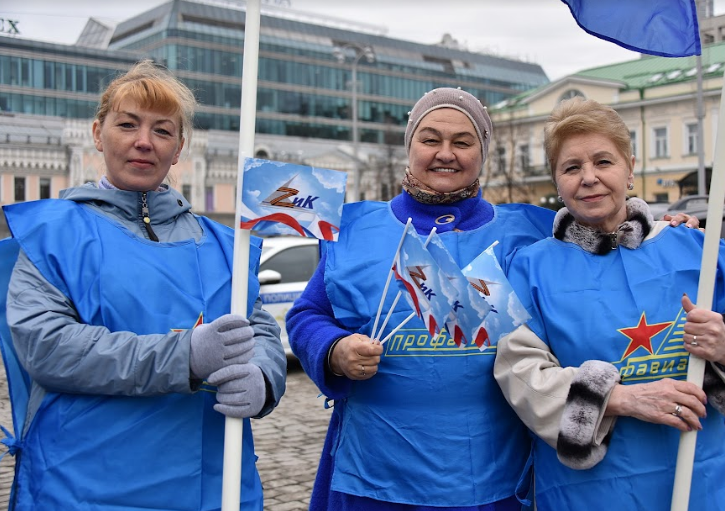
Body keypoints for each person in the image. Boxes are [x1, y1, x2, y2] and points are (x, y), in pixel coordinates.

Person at [286, 88, 697, 511]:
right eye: (430, 139)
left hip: (493, 479)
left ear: (483, 152)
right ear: (409, 146)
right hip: (374, 476)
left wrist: (661, 227)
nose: (446, 153)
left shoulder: (529, 229)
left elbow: (604, 232)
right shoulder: (355, 228)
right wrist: (334, 349)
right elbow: (307, 317)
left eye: (463, 142)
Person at [1, 60, 287, 511]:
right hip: (81, 487)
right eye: (127, 124)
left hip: (211, 487)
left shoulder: (223, 244)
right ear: (98, 134)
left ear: (178, 149)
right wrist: (184, 356)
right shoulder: (53, 234)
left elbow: (258, 329)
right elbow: (47, 348)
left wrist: (266, 377)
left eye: (162, 130)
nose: (143, 142)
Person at [493, 97, 725, 510]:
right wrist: (619, 399)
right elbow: (518, 372)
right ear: (556, 181)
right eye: (571, 167)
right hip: (588, 494)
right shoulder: (531, 268)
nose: (589, 178)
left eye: (603, 162)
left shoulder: (700, 252)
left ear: (630, 168)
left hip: (704, 480)